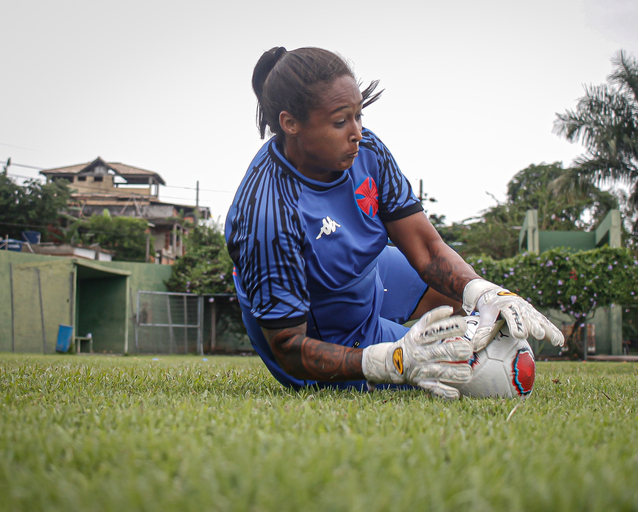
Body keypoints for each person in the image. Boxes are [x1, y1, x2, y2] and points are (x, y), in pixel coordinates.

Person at [226, 46, 564, 399]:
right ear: (290, 124)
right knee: (472, 372)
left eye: (359, 115)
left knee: (463, 295)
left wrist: (482, 290)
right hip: (325, 327)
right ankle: (387, 348)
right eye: (341, 122)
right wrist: (390, 361)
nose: (357, 133)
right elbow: (287, 346)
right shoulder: (267, 216)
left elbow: (426, 247)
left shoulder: (367, 150)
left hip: (368, 271)